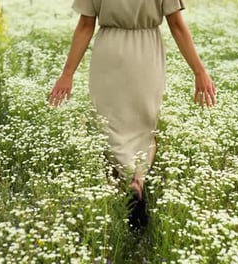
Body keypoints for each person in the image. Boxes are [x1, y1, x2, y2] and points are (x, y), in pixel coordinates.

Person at [49, 0, 216, 230]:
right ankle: (138, 179)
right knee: (145, 128)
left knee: (110, 127)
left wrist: (67, 74)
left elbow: (85, 25)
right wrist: (200, 71)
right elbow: (176, 24)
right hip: (147, 55)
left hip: (109, 54)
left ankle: (125, 189)